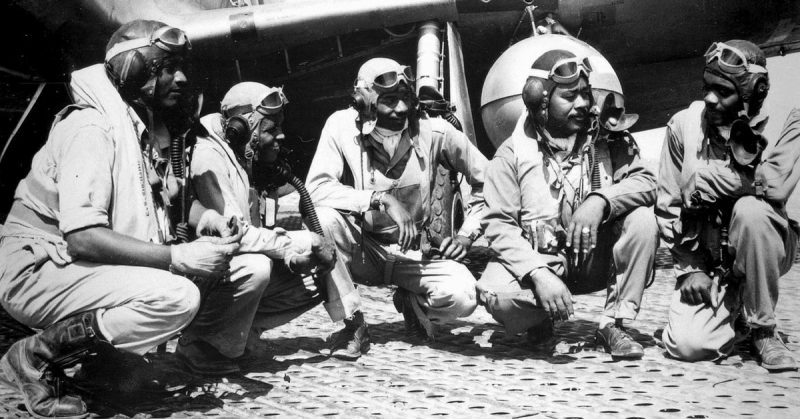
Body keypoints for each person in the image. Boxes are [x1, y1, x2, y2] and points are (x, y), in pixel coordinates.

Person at [0, 20, 240, 417]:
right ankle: (34, 357)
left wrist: (205, 218)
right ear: (134, 68)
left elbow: (155, 199)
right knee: (176, 294)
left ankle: (100, 370)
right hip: (34, 268)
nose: (180, 78)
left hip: (64, 263)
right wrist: (178, 258)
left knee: (198, 274)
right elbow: (83, 237)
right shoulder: (93, 129)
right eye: (166, 67)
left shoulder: (132, 129)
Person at [477, 49, 659, 359]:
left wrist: (601, 200)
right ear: (542, 103)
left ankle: (613, 324)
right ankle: (539, 320)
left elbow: (648, 182)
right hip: (542, 263)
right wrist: (538, 274)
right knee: (498, 297)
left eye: (586, 94)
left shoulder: (608, 138)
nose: (583, 104)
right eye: (570, 96)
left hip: (594, 258)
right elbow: (498, 225)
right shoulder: (511, 155)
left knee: (642, 220)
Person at [305, 57, 488, 357]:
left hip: (413, 251)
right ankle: (353, 324)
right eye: (389, 100)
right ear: (363, 101)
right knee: (322, 221)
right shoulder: (339, 126)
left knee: (465, 296)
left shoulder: (435, 130)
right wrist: (379, 199)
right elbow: (316, 189)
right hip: (361, 249)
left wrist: (468, 233)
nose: (401, 109)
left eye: (405, 99)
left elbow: (489, 181)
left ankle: (412, 301)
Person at [657, 39, 799, 371]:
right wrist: (690, 269)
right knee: (689, 347)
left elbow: (775, 185)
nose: (710, 98)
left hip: (767, 244)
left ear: (754, 94)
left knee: (751, 211)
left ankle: (763, 329)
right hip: (708, 258)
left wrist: (705, 181)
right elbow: (668, 205)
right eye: (707, 87)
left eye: (723, 92)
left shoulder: (786, 122)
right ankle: (734, 317)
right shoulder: (683, 125)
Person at [188, 81, 335, 374]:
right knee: (256, 267)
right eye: (270, 129)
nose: (280, 135)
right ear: (239, 129)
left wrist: (297, 256)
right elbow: (236, 236)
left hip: (219, 275)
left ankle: (233, 335)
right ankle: (197, 344)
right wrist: (305, 241)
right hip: (198, 272)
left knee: (316, 275)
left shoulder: (240, 153)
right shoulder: (209, 158)